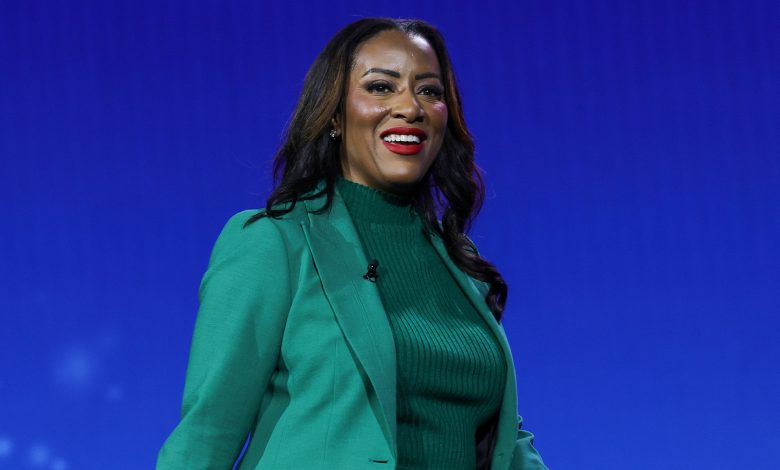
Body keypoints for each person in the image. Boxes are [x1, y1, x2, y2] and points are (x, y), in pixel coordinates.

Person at [157, 17, 548, 470]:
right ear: (334, 115)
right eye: (381, 87)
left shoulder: (460, 262)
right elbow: (206, 434)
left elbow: (505, 439)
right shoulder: (276, 242)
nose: (410, 107)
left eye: (429, 91)